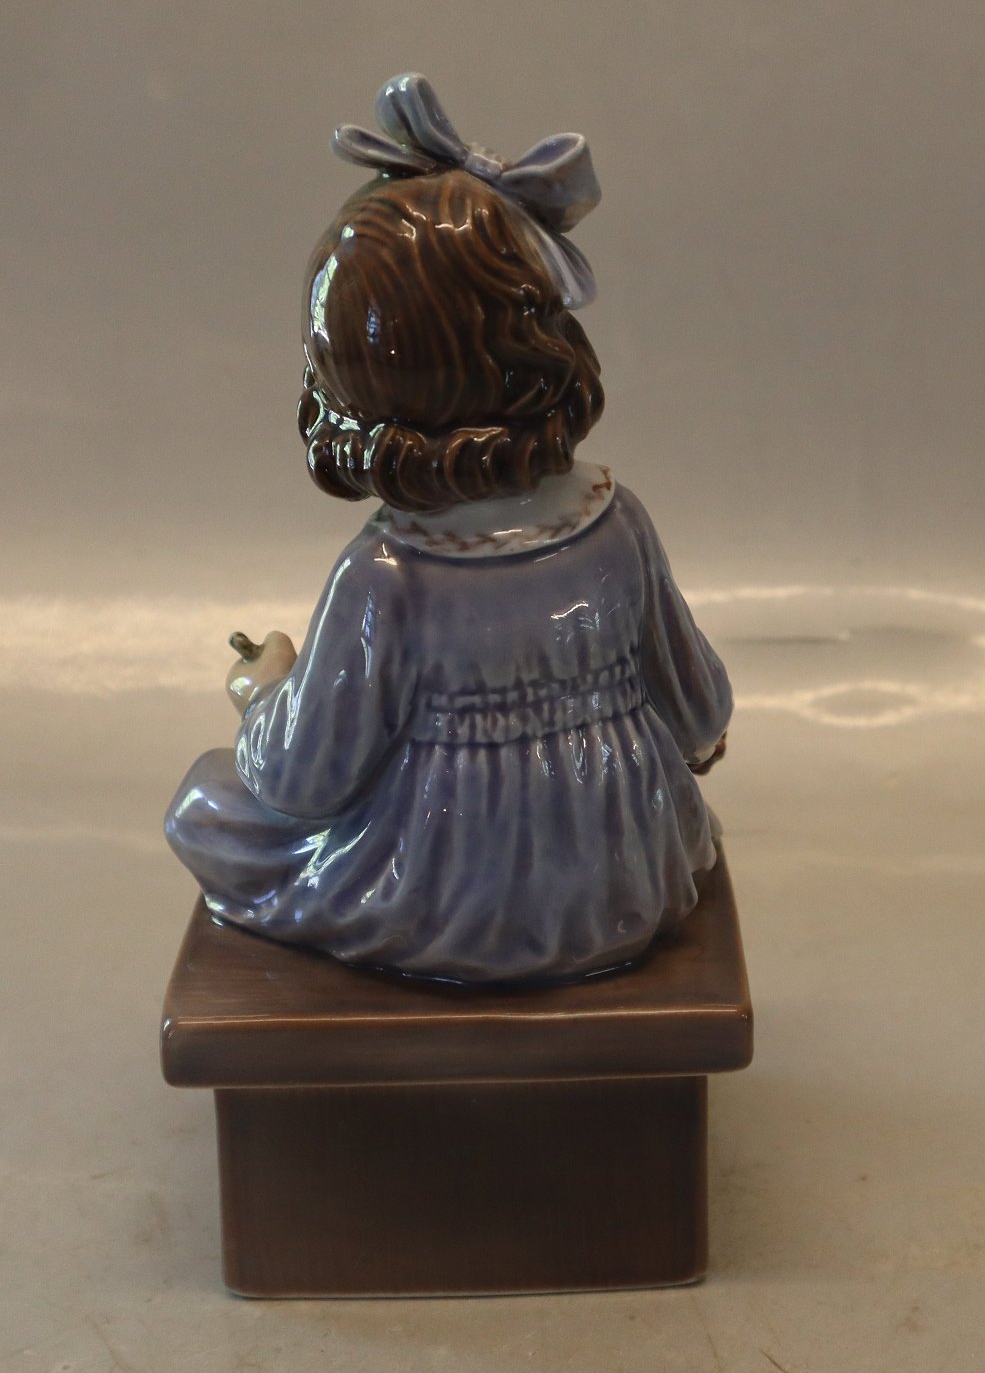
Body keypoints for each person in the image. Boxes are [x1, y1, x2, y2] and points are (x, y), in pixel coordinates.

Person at [165, 74, 731, 985]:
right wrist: (679, 756)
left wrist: (262, 692)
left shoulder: (389, 575)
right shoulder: (618, 523)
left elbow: (307, 781)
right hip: (625, 884)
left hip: (442, 895)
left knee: (204, 803)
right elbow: (699, 709)